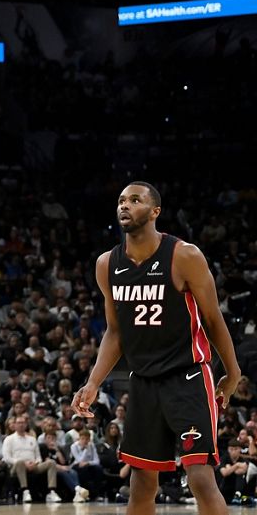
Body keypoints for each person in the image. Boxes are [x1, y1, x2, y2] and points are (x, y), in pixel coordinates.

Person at [73, 181, 241, 515]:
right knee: (142, 484)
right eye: (121, 200)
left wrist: (232, 372)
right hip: (143, 381)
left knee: (200, 478)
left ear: (155, 211)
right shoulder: (107, 264)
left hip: (188, 376)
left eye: (135, 200)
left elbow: (212, 318)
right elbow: (115, 333)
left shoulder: (185, 255)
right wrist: (93, 382)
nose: (125, 205)